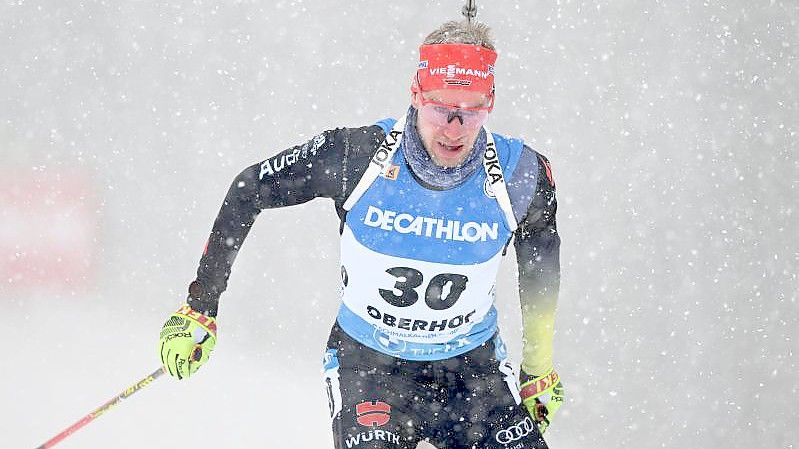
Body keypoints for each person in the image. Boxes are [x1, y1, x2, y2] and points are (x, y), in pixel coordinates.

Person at [157, 20, 564, 449]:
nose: (455, 128)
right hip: (371, 368)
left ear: (490, 104)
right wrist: (200, 306)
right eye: (440, 108)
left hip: (472, 373)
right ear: (416, 95)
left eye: (473, 110)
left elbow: (541, 269)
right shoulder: (357, 155)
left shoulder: (522, 174)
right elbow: (248, 188)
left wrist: (538, 369)